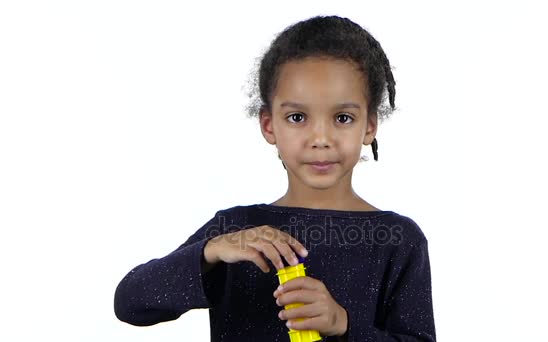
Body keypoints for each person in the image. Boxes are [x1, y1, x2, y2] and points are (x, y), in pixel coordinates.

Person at [114, 14, 436, 341]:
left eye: (343, 117)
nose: (320, 138)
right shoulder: (236, 232)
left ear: (369, 125)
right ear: (269, 125)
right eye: (297, 117)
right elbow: (130, 304)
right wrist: (210, 252)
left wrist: (343, 325)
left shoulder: (397, 239)